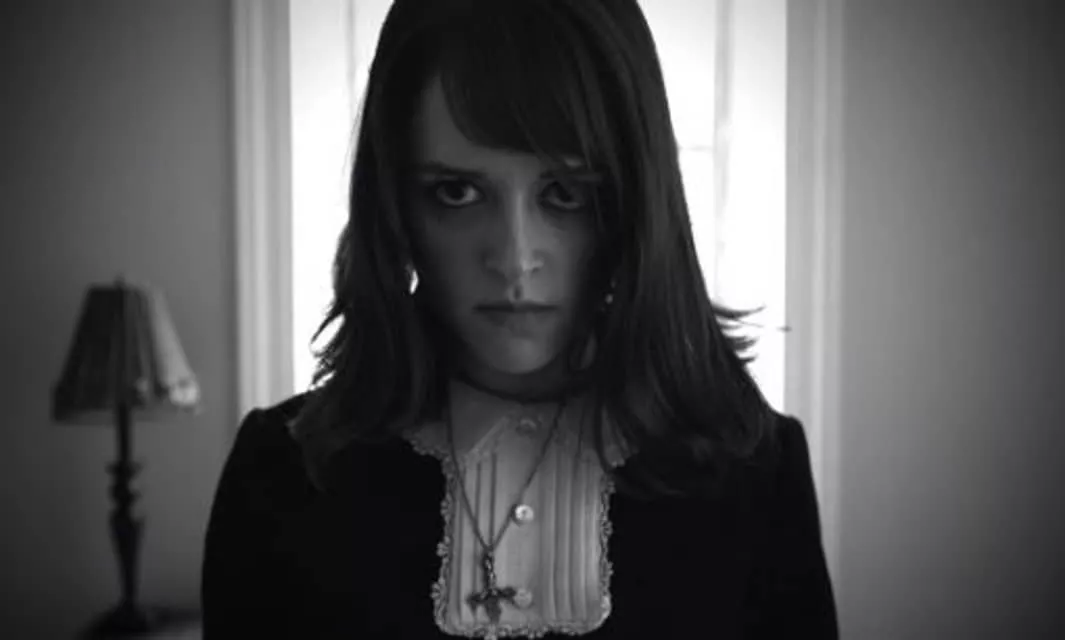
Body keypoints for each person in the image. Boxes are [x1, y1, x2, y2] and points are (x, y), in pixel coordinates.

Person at [201, 0, 838, 637]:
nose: (513, 258)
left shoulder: (755, 473)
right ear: (394, 206)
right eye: (457, 192)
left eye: (566, 193)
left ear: (635, 202)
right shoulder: (279, 474)